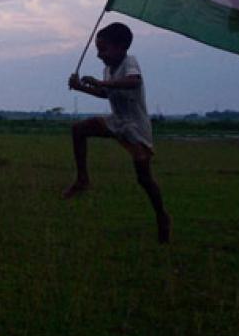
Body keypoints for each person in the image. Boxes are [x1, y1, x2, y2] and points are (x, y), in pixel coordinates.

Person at [64, 22, 171, 244]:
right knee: (79, 129)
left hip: (135, 128)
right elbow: (105, 93)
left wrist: (102, 82)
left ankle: (161, 215)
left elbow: (133, 82)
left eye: (103, 49)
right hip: (116, 121)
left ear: (121, 47)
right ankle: (83, 179)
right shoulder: (109, 69)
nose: (99, 55)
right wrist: (80, 87)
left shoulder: (130, 62)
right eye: (98, 50)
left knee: (144, 178)